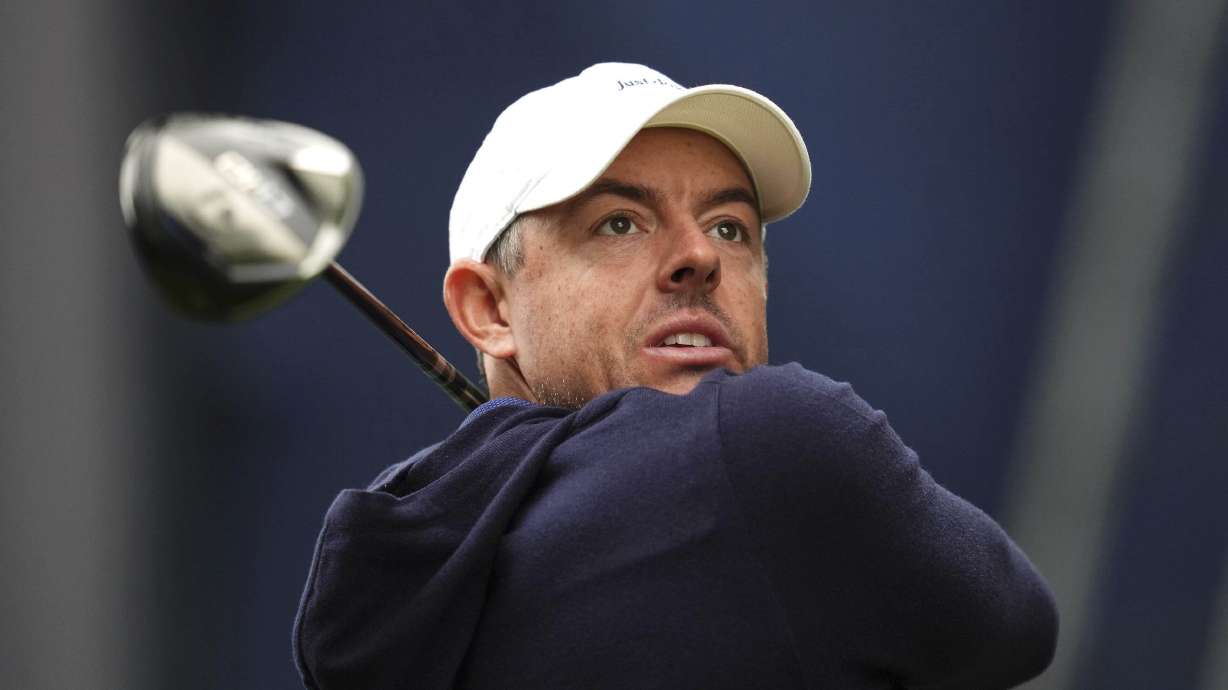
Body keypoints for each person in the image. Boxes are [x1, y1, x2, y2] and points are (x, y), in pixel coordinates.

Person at [293, 62, 1058, 690]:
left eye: (731, 227)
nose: (702, 257)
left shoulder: (385, 566)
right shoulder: (776, 441)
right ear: (489, 307)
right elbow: (1014, 628)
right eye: (619, 223)